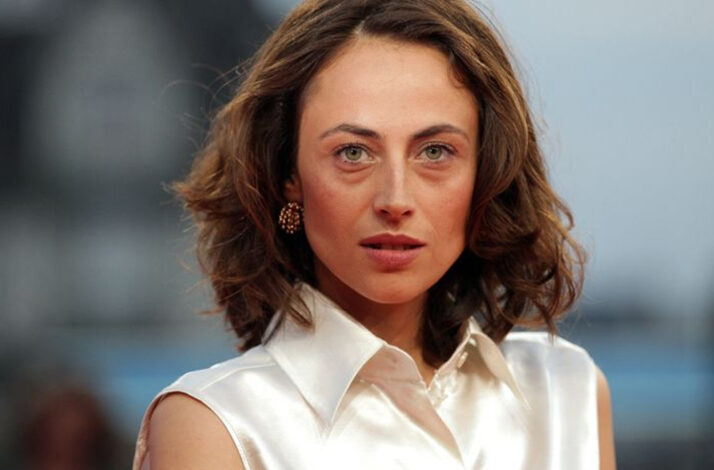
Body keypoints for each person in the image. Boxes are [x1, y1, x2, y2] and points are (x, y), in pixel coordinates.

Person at [132, 0, 616, 468]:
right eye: (353, 153)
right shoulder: (215, 423)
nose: (395, 199)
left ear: (485, 173)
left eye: (435, 152)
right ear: (288, 174)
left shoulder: (566, 392)